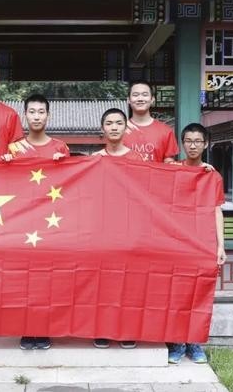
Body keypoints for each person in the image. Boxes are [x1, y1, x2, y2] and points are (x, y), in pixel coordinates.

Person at [3, 93, 70, 350]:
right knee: (22, 279)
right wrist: (4, 165)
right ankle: (25, 328)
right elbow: (6, 185)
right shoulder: (14, 149)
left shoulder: (60, 148)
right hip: (22, 223)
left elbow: (71, 184)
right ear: (25, 115)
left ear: (48, 116)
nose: (37, 116)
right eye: (32, 112)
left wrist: (64, 165)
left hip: (51, 223)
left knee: (47, 279)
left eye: (41, 112)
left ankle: (43, 329)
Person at [167, 122, 227, 364]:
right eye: (188, 141)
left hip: (202, 242)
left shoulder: (212, 176)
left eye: (198, 141)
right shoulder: (172, 171)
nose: (193, 146)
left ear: (205, 144)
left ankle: (194, 343)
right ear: (183, 144)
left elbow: (216, 210)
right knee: (176, 293)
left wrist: (220, 245)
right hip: (176, 241)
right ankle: (176, 343)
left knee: (199, 292)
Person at [92, 108, 142, 349]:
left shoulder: (137, 160)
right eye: (109, 123)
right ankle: (102, 329)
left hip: (129, 229)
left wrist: (200, 171)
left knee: (128, 281)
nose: (114, 127)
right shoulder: (93, 161)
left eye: (119, 123)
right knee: (102, 281)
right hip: (100, 229)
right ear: (102, 128)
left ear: (126, 127)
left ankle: (126, 330)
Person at [123, 80, 178, 163]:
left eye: (145, 95)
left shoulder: (166, 131)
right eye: (135, 95)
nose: (140, 99)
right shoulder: (120, 130)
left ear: (152, 99)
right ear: (128, 100)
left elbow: (169, 163)